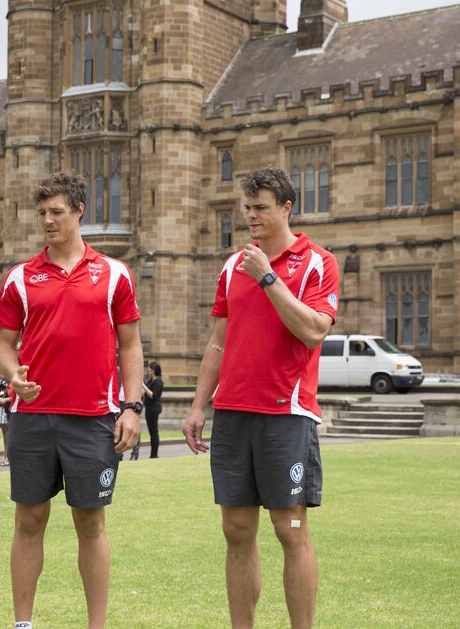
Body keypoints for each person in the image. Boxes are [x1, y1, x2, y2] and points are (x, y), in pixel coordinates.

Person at [182, 167, 339, 629]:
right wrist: (198, 405)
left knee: (290, 530)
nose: (251, 216)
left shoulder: (317, 262)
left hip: (285, 414)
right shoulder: (233, 265)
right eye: (247, 208)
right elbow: (218, 341)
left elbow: (313, 331)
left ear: (286, 208)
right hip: (233, 414)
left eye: (261, 208)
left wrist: (269, 278)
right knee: (236, 531)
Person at [0, 171, 143, 629]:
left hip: (94, 418)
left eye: (56, 212)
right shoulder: (19, 277)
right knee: (28, 521)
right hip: (32, 417)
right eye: (42, 213)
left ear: (79, 211)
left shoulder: (115, 273)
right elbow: (3, 345)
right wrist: (12, 374)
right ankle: (23, 624)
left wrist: (132, 407)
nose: (48, 220)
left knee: (91, 525)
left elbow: (130, 345)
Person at [131, 361, 163, 460]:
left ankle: (154, 454)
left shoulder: (158, 381)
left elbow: (154, 395)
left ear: (153, 370)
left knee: (153, 431)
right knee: (151, 431)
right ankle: (153, 454)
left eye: (149, 369)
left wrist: (143, 385)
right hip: (149, 408)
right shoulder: (151, 380)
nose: (148, 370)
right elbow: (144, 393)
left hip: (154, 408)